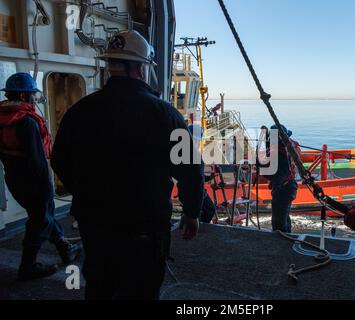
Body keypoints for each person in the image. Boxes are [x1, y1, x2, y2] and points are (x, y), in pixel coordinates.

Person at [51, 30, 204, 300]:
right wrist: (192, 212)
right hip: (144, 225)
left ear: (110, 66)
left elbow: (59, 160)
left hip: (95, 222)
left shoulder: (79, 111)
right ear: (142, 69)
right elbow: (190, 169)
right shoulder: (165, 114)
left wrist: (87, 192)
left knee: (100, 286)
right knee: (143, 290)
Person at [0, 73, 82, 281]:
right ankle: (28, 266)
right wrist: (47, 186)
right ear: (23, 95)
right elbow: (36, 160)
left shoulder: (3, 118)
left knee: (43, 215)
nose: (35, 99)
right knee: (40, 220)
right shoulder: (26, 122)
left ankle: (65, 247)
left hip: (14, 178)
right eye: (33, 95)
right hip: (33, 180)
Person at [263, 124, 301, 233]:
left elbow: (270, 174)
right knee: (284, 218)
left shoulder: (279, 155)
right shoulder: (289, 148)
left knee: (278, 224)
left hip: (283, 189)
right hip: (289, 186)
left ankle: (282, 244)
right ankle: (287, 238)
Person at [188, 124, 216, 224]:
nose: (197, 142)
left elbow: (197, 175)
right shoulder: (192, 155)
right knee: (209, 209)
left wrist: (210, 176)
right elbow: (196, 177)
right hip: (196, 190)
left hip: (194, 190)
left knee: (206, 210)